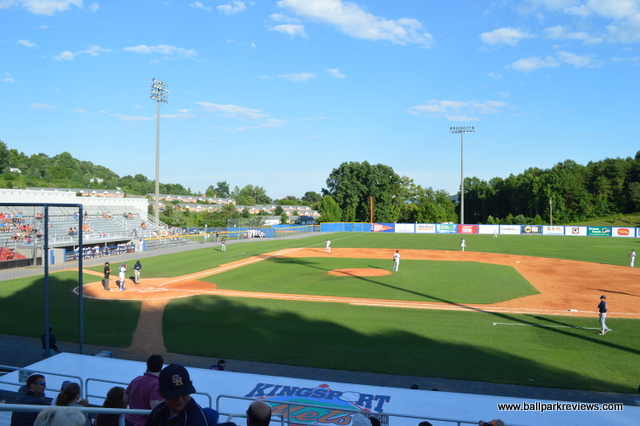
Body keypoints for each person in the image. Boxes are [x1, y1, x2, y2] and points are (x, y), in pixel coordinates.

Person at [145, 364, 213, 426]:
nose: (179, 399)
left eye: (184, 394)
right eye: (173, 395)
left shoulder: (197, 418)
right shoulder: (158, 412)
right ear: (160, 393)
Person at [124, 354, 164, 426]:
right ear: (161, 369)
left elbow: (125, 400)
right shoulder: (156, 384)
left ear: (147, 366)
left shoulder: (137, 379)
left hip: (127, 421)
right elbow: (154, 407)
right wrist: (168, 398)